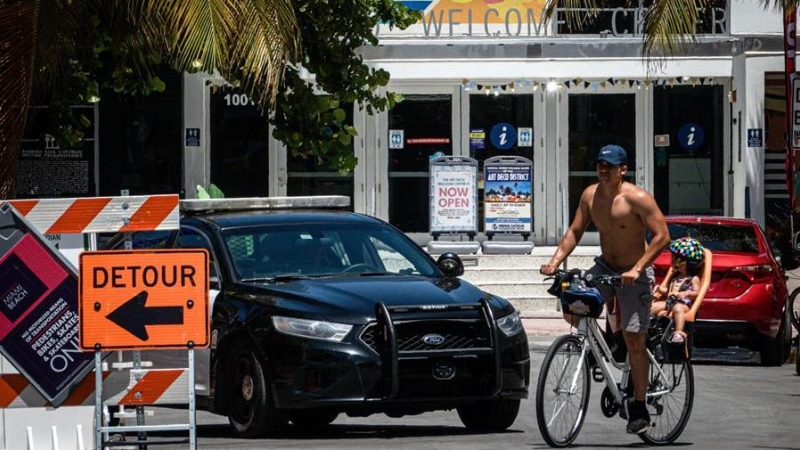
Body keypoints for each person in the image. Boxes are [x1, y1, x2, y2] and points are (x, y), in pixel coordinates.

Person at [539, 144, 670, 435]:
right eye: (600, 164)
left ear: (623, 169)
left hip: (635, 273)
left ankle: (638, 405)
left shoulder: (637, 198)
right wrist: (553, 262)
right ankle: (602, 346)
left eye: (610, 165)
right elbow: (575, 231)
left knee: (635, 339)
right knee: (573, 303)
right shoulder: (590, 196)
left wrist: (638, 268)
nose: (603, 169)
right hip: (605, 268)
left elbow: (662, 237)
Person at [651, 237, 704, 343]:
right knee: (653, 306)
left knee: (678, 308)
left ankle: (678, 332)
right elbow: (668, 291)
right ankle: (647, 326)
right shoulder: (675, 276)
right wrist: (660, 289)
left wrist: (686, 293)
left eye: (674, 258)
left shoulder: (693, 279)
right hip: (670, 302)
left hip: (684, 305)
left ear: (684, 262)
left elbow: (697, 293)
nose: (671, 260)